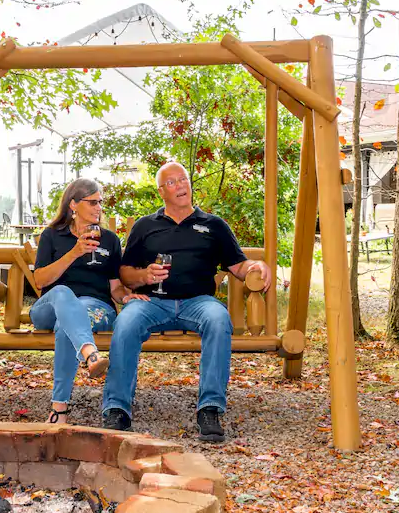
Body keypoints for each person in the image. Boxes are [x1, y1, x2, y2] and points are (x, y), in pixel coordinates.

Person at [101, 162, 272, 443]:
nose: (180, 185)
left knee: (218, 319)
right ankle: (117, 408)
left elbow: (238, 266)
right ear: (161, 192)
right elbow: (125, 273)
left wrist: (257, 265)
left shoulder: (214, 225)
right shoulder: (145, 226)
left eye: (183, 179)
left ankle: (210, 409)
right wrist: (144, 276)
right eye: (172, 182)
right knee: (127, 321)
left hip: (198, 302)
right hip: (152, 302)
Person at [31, 178, 149, 425]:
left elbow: (115, 287)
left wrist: (126, 298)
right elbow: (40, 281)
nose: (99, 208)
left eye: (100, 202)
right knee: (63, 293)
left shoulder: (109, 240)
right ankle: (89, 351)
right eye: (93, 202)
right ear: (73, 204)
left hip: (95, 307)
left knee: (67, 324)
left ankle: (59, 408)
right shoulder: (52, 235)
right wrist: (75, 252)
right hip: (50, 307)